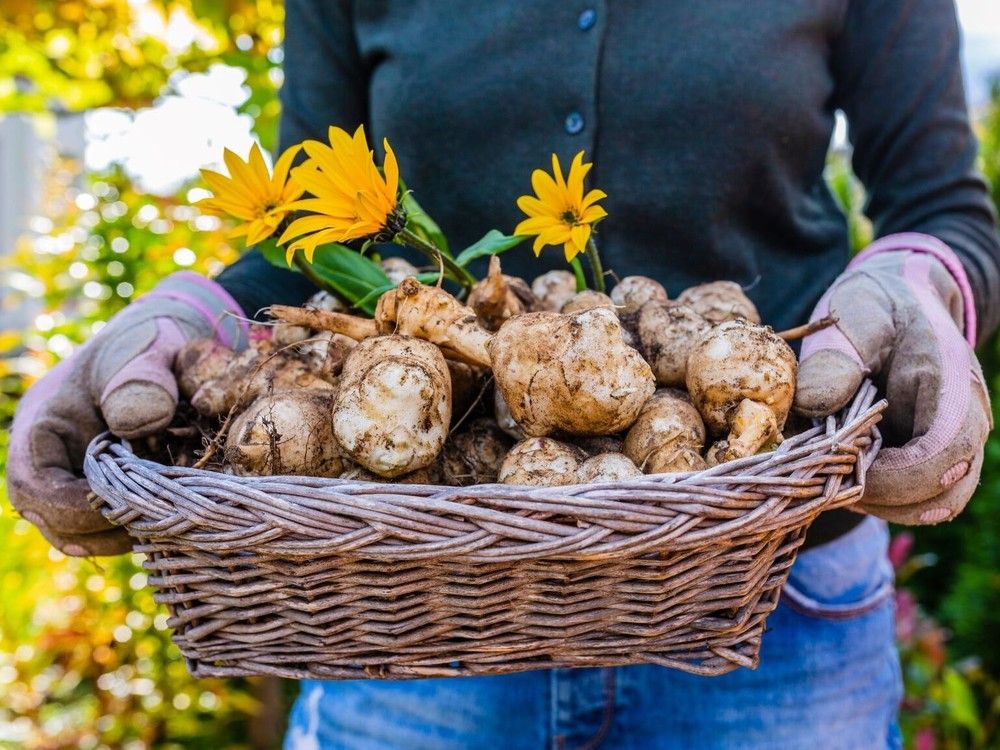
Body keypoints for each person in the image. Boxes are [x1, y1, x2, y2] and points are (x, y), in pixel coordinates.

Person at [8, 2, 999, 748]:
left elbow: (940, 204)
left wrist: (917, 288)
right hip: (404, 605)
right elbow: (301, 243)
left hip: (769, 587)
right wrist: (193, 315)